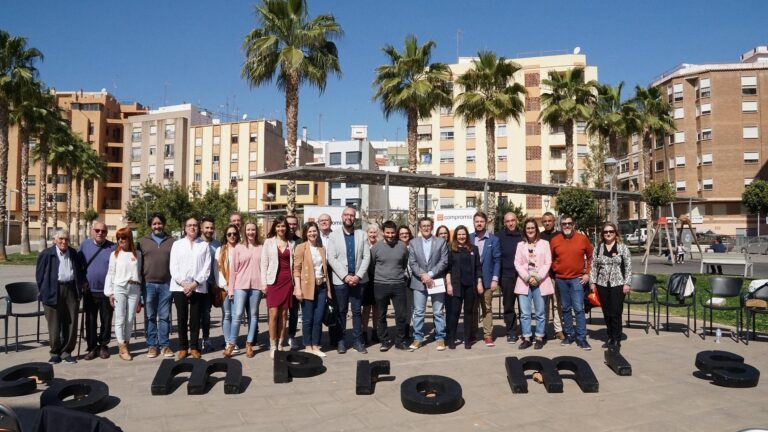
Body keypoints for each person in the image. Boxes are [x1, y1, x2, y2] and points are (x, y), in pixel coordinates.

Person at [36, 229, 86, 364]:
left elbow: (78, 271)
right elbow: (39, 276)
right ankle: (55, 352)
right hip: (53, 289)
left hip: (70, 289)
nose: (64, 241)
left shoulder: (73, 253)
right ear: (54, 240)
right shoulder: (47, 254)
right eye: (61, 239)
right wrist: (44, 291)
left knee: (71, 322)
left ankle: (66, 352)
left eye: (66, 239)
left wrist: (80, 287)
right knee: (54, 323)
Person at [327, 207, 371, 354]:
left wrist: (358, 276)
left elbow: (366, 257)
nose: (349, 217)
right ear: (342, 216)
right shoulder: (334, 236)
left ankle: (358, 341)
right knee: (341, 311)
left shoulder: (362, 235)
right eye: (346, 215)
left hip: (359, 280)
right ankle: (341, 341)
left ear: (355, 218)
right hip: (341, 280)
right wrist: (345, 276)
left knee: (357, 311)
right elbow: (331, 258)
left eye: (351, 215)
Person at [169, 217, 212, 359]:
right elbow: (173, 267)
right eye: (189, 225)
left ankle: (194, 347)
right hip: (179, 287)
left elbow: (206, 268)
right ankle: (183, 347)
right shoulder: (177, 244)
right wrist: (184, 284)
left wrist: (194, 284)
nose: (192, 227)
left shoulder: (204, 245)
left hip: (197, 287)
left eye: (195, 225)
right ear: (184, 228)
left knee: (195, 318)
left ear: (198, 228)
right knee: (181, 318)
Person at [550, 214, 594, 351]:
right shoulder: (555, 240)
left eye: (569, 223)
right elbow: (550, 258)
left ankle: (582, 338)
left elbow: (591, 256)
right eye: (564, 224)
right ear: (560, 226)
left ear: (573, 225)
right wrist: (556, 270)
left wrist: (587, 273)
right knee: (565, 308)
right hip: (561, 279)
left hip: (577, 279)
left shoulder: (582, 239)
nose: (567, 226)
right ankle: (569, 335)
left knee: (579, 309)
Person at [408, 217, 449, 351]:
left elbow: (443, 261)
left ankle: (440, 338)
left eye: (428, 226)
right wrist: (423, 275)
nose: (426, 228)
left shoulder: (441, 242)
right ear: (420, 228)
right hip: (419, 282)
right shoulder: (413, 243)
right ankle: (418, 338)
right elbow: (412, 263)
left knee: (438, 312)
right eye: (423, 226)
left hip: (436, 280)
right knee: (419, 312)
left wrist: (430, 274)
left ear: (432, 227)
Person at [589, 222, 632, 350]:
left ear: (615, 233)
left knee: (616, 312)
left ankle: (616, 338)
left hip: (618, 284)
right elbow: (593, 267)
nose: (608, 234)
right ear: (602, 234)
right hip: (602, 284)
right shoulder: (598, 248)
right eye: (606, 232)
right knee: (606, 313)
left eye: (611, 231)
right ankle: (610, 336)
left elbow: (628, 267)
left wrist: (627, 283)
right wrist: (592, 282)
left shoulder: (622, 248)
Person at [138, 213, 175, 358]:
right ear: (150, 226)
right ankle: (152, 346)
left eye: (159, 223)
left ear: (164, 224)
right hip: (148, 285)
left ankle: (165, 346)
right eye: (154, 224)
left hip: (166, 284)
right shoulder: (143, 242)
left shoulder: (172, 241)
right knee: (150, 316)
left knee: (165, 316)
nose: (157, 226)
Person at [78, 221, 116, 361]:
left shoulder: (112, 247)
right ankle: (92, 347)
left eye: (103, 231)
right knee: (90, 320)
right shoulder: (84, 245)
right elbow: (78, 266)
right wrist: (82, 281)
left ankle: (104, 346)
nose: (100, 233)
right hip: (89, 291)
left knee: (106, 320)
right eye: (97, 230)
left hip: (107, 292)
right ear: (92, 231)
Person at [370, 220, 411, 352]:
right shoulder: (376, 248)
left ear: (396, 232)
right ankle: (385, 341)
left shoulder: (402, 246)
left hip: (399, 284)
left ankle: (400, 340)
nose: (390, 235)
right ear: (383, 232)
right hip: (380, 285)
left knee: (401, 314)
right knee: (381, 315)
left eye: (393, 233)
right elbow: (372, 266)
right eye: (387, 233)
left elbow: (404, 263)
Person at [514, 218, 554, 350]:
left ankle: (539, 337)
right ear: (525, 231)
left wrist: (538, 276)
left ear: (536, 229)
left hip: (540, 281)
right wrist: (527, 277)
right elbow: (517, 263)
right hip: (524, 282)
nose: (530, 230)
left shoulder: (545, 243)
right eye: (528, 228)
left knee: (540, 312)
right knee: (525, 313)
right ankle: (526, 337)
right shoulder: (520, 245)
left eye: (532, 228)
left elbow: (548, 262)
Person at [293, 222, 331, 357]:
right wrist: (298, 288)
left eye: (314, 231)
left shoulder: (321, 249)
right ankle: (307, 346)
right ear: (305, 233)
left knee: (318, 317)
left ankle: (316, 345)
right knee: (308, 318)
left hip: (321, 287)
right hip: (307, 287)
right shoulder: (300, 248)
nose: (312, 234)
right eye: (309, 231)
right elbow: (296, 270)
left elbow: (324, 270)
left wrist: (328, 290)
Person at [104, 227, 142, 361]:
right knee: (120, 318)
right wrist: (110, 293)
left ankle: (127, 342)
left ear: (129, 238)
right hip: (119, 287)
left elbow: (140, 273)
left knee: (130, 318)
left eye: (124, 237)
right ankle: (122, 346)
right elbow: (111, 273)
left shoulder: (137, 254)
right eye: (119, 238)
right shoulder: (114, 255)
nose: (121, 240)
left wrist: (140, 294)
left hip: (134, 288)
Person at [228, 221, 264, 358]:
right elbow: (233, 270)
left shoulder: (261, 247)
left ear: (256, 231)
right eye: (248, 230)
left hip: (256, 286)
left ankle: (249, 344)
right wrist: (231, 289)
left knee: (254, 315)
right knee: (237, 315)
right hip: (240, 286)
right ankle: (231, 343)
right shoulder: (238, 247)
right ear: (244, 231)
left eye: (253, 230)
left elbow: (264, 268)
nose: (251, 232)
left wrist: (264, 285)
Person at [261, 216, 295, 359]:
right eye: (278, 226)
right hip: (273, 281)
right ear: (274, 228)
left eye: (283, 226)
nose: (281, 229)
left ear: (286, 228)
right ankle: (272, 344)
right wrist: (264, 283)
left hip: (287, 281)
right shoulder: (268, 242)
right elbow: (263, 264)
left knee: (284, 314)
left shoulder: (291, 243)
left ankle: (281, 343)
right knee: (273, 313)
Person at [445, 225, 482, 350]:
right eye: (459, 234)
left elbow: (478, 268)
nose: (461, 236)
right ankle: (451, 339)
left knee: (468, 314)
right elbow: (448, 269)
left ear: (467, 235)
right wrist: (449, 285)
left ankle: (467, 340)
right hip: (456, 286)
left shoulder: (473, 249)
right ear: (456, 236)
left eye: (464, 234)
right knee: (454, 313)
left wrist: (479, 282)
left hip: (470, 286)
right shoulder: (451, 249)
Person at [469, 211, 501, 347]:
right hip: (471, 282)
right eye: (477, 221)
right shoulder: (469, 238)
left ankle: (488, 335)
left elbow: (497, 260)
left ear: (486, 222)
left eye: (482, 221)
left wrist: (495, 279)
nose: (479, 224)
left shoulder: (494, 240)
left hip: (488, 280)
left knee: (487, 308)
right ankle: (473, 334)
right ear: (474, 223)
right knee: (472, 309)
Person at [215, 224, 240, 357]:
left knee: (236, 315)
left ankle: (233, 340)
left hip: (239, 287)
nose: (232, 236)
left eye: (234, 234)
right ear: (225, 236)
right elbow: (217, 269)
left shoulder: (241, 248)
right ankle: (228, 342)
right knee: (227, 315)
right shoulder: (220, 250)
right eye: (229, 234)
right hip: (224, 287)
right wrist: (224, 285)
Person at [498, 212, 522, 343]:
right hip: (506, 276)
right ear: (504, 223)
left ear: (517, 221)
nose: (511, 223)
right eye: (508, 221)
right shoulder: (498, 236)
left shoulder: (523, 236)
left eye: (513, 220)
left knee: (524, 307)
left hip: (523, 277)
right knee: (508, 306)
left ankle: (526, 332)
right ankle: (511, 332)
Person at [540, 211, 564, 340]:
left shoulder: (560, 236)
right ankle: (542, 330)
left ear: (554, 221)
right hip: (543, 276)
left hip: (556, 275)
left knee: (557, 303)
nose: (547, 223)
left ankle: (558, 329)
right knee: (543, 305)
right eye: (545, 221)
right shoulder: (540, 236)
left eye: (549, 220)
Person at [199, 217, 220, 352]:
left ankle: (206, 339)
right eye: (207, 227)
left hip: (214, 284)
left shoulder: (218, 244)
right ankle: (196, 340)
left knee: (207, 313)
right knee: (198, 314)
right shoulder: (196, 243)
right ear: (201, 228)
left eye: (211, 228)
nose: (209, 230)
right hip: (200, 284)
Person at [285, 214, 302, 350]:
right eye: (289, 224)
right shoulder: (278, 240)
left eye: (294, 224)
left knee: (294, 312)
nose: (291, 226)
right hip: (281, 282)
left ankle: (291, 336)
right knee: (280, 312)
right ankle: (278, 337)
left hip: (296, 282)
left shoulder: (300, 241)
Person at [361, 224, 380, 346]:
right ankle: (364, 332)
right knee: (366, 308)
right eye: (370, 232)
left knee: (377, 307)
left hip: (378, 279)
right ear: (366, 233)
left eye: (374, 232)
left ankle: (375, 331)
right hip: (366, 279)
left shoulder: (380, 245)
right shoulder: (363, 245)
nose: (372, 235)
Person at [397, 224, 414, 337]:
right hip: (399, 280)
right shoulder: (395, 246)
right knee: (400, 307)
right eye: (402, 233)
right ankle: (401, 330)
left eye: (406, 233)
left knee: (410, 306)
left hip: (412, 279)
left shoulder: (413, 245)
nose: (404, 235)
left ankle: (407, 329)